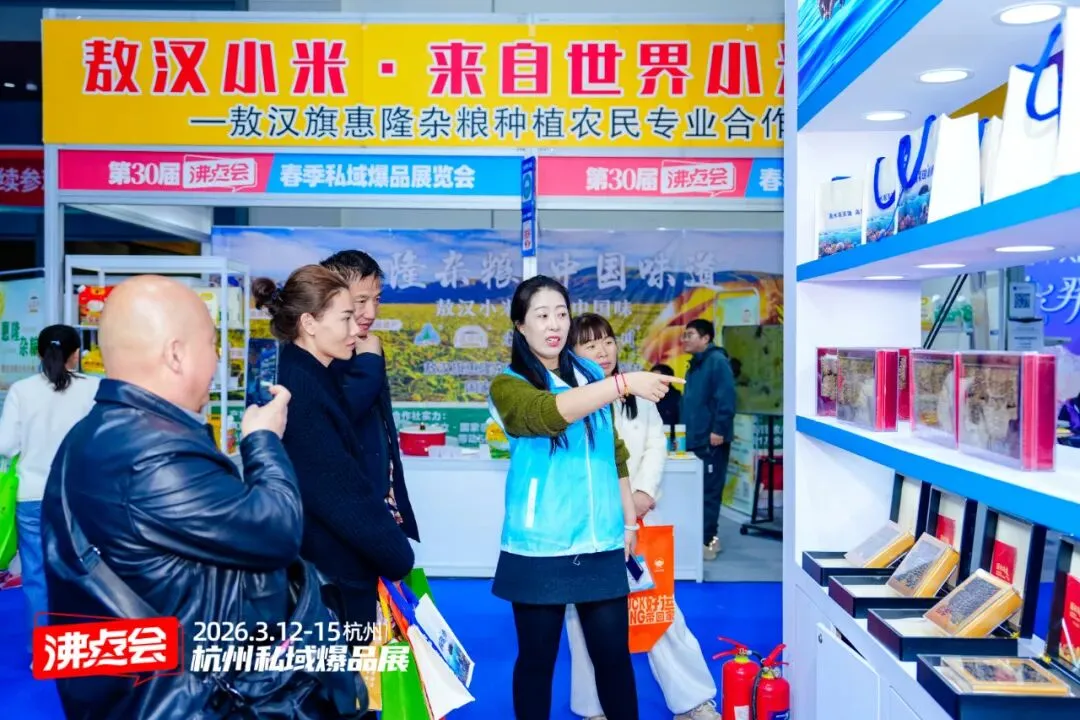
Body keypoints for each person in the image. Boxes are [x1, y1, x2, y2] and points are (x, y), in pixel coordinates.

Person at [40, 275, 364, 718]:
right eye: (211, 344)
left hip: (146, 685)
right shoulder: (151, 454)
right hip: (185, 698)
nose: (216, 358)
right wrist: (264, 440)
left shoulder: (96, 433)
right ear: (176, 354)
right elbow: (277, 531)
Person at [488, 276, 682, 720]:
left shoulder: (590, 374)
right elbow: (546, 414)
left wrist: (628, 521)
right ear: (520, 325)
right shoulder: (508, 385)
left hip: (600, 541)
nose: (554, 324)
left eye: (561, 313)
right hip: (540, 546)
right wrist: (623, 383)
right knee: (537, 662)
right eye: (541, 315)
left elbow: (614, 451)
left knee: (614, 659)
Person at [566, 314, 719, 720]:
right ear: (572, 353)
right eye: (589, 345)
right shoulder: (568, 400)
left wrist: (642, 495)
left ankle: (693, 702)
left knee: (659, 611)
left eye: (607, 341)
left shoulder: (638, 392)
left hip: (639, 520)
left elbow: (655, 444)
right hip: (587, 527)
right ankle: (593, 708)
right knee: (583, 619)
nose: (602, 351)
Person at [253, 266, 414, 646]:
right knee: (344, 676)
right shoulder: (300, 387)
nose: (356, 328)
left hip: (329, 563)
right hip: (330, 577)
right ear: (309, 323)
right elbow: (338, 489)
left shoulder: (310, 371)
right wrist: (396, 554)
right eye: (345, 318)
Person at [0, 324, 99, 662]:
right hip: (78, 496)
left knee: (36, 575)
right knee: (82, 572)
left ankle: (42, 654)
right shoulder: (93, 388)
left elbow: (6, 445)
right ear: (76, 354)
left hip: (31, 496)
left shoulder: (22, 390)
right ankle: (79, 650)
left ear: (39, 353)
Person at [320, 250, 419, 542]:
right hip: (344, 507)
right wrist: (369, 364)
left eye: (376, 300)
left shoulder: (364, 345)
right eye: (361, 301)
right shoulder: (321, 350)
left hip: (375, 495)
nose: (371, 312)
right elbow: (340, 415)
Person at [680, 319, 735, 561]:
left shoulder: (717, 362)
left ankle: (708, 541)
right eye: (684, 334)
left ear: (705, 338)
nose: (685, 339)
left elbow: (727, 398)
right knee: (695, 492)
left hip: (711, 440)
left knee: (709, 492)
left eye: (690, 334)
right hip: (694, 439)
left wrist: (719, 430)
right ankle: (700, 539)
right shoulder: (695, 365)